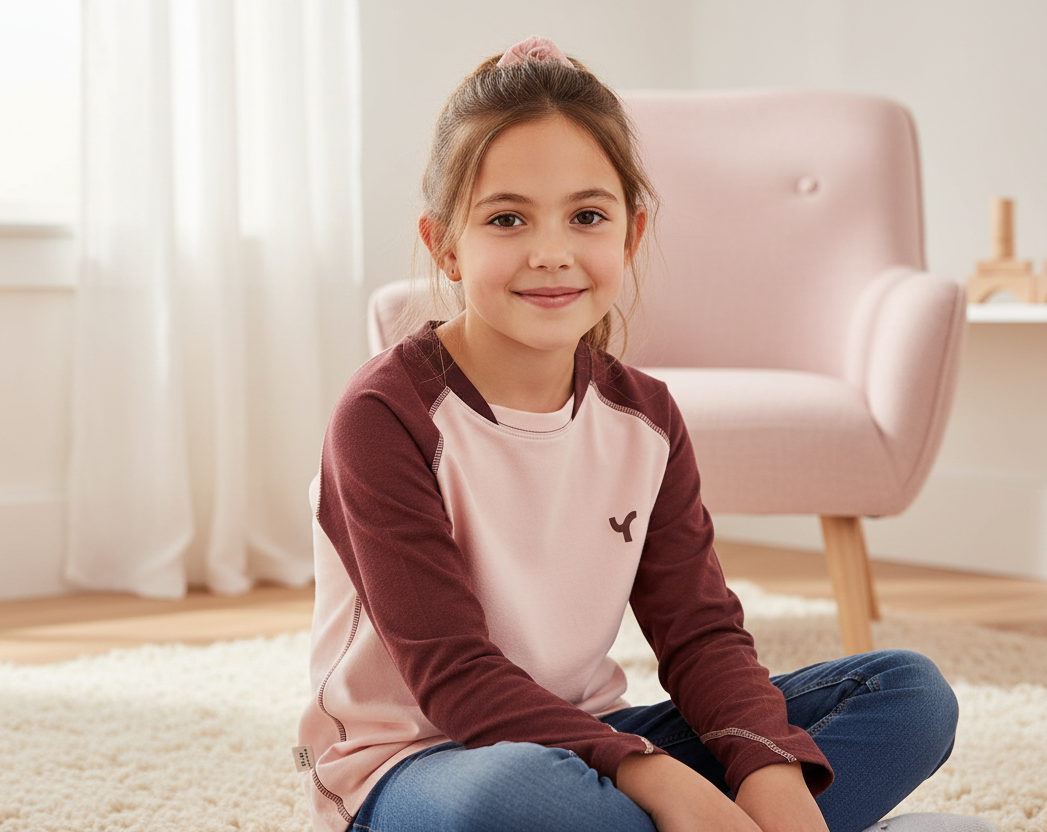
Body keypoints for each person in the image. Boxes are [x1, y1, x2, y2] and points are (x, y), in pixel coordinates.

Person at [298, 36, 990, 832]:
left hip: (589, 745)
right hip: (418, 767)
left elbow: (700, 636)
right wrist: (656, 778)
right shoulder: (384, 416)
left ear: (630, 235)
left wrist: (768, 766)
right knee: (513, 799)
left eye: (587, 216)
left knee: (908, 694)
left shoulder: (646, 418)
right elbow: (454, 677)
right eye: (507, 218)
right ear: (445, 245)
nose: (551, 252)